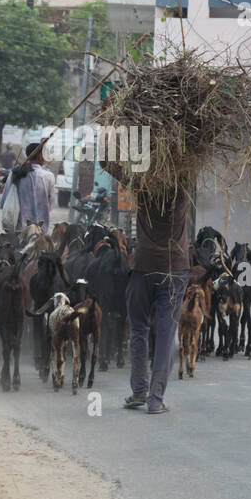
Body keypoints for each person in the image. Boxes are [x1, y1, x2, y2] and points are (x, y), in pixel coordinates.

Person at [100, 156, 189, 416]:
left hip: (143, 268)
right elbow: (198, 149)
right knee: (165, 334)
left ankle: (139, 390)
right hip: (175, 270)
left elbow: (107, 162)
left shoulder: (142, 183)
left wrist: (109, 126)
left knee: (138, 328)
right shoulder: (183, 186)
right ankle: (155, 399)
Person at [0, 141, 55, 232]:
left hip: (17, 229)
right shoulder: (49, 177)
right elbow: (50, 204)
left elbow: (4, 201)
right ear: (40, 156)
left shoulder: (15, 173)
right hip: (39, 230)